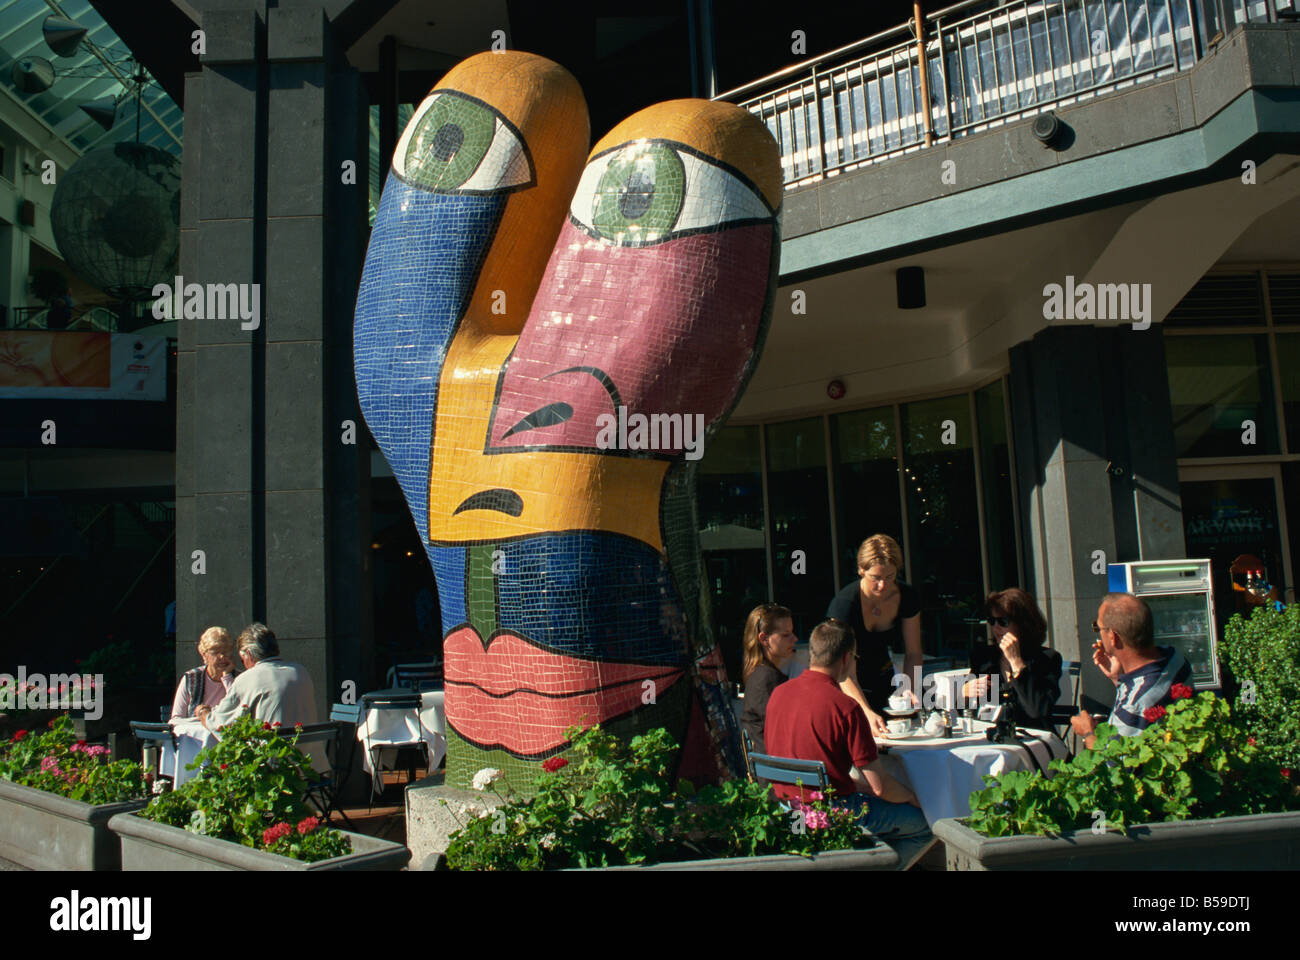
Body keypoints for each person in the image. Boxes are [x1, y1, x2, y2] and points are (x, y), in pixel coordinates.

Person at [765, 619, 933, 870]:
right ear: (846, 659)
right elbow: (879, 787)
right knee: (926, 824)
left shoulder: (779, 694)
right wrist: (913, 797)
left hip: (786, 808)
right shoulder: (845, 707)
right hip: (830, 812)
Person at [825, 534, 922, 736]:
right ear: (861, 571)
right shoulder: (844, 605)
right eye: (875, 578)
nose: (882, 586)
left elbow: (913, 652)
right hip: (847, 682)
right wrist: (865, 712)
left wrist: (908, 689)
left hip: (883, 676)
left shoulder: (906, 597)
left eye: (889, 577)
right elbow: (842, 670)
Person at [1070, 593, 1191, 749]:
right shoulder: (1175, 657)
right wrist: (1119, 678)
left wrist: (1088, 733)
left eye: (1097, 627)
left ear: (1113, 637)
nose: (1098, 633)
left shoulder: (1133, 707)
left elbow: (1114, 765)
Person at [963, 588, 1061, 728]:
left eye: (1003, 621)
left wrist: (1017, 662)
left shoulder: (1046, 659)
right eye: (992, 621)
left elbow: (1037, 710)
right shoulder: (984, 657)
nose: (996, 627)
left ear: (1023, 624)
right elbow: (966, 711)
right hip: (990, 736)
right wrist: (964, 693)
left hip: (1030, 737)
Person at [198, 623, 318, 731]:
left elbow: (220, 724)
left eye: (242, 659)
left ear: (248, 655)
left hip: (272, 753)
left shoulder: (248, 678)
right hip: (310, 752)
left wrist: (204, 714)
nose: (244, 665)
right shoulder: (300, 671)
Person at [738, 603, 796, 755]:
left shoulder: (760, 674)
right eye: (785, 635)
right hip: (773, 771)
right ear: (764, 639)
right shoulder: (766, 679)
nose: (794, 639)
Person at [170, 626, 239, 721]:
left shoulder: (240, 678)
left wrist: (227, 677)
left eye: (226, 652)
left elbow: (239, 706)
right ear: (204, 655)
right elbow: (176, 718)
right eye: (216, 652)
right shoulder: (191, 678)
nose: (222, 657)